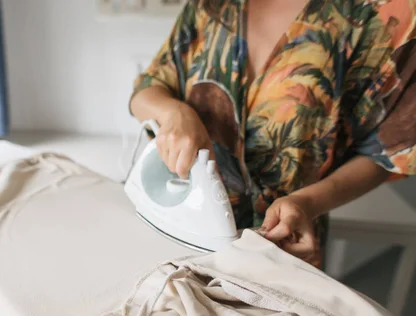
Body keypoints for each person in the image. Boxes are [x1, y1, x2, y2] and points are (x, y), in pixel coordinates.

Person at [130, 0, 416, 267]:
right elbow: (146, 90)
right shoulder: (211, 4)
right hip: (171, 243)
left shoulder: (388, 12)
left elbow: (390, 151)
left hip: (283, 242)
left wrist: (307, 203)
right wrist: (175, 114)